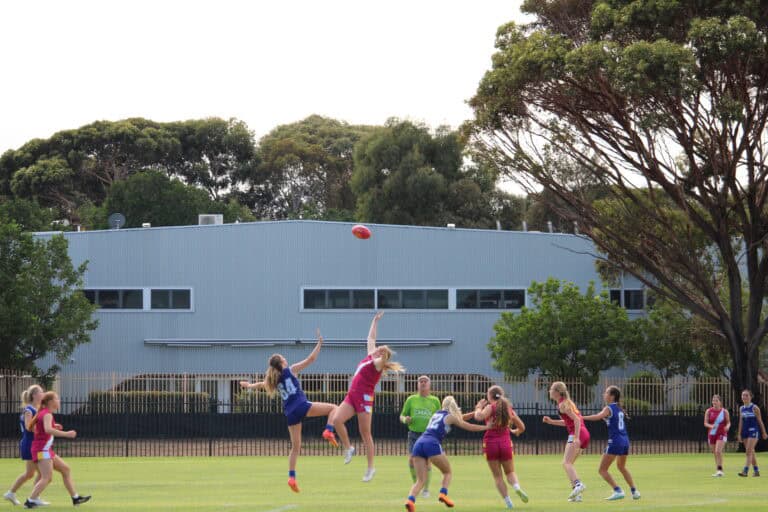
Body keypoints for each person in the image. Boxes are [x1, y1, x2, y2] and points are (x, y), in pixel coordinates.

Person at [239, 329, 344, 493]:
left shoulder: (273, 379)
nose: (285, 359)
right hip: (301, 406)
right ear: (281, 363)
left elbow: (261, 384)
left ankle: (292, 477)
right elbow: (311, 359)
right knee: (334, 408)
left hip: (290, 414)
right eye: (283, 358)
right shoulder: (291, 370)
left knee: (295, 448)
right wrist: (320, 344)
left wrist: (249, 386)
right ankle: (329, 431)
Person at [323, 311, 405, 482]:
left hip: (364, 399)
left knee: (365, 434)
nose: (376, 349)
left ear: (381, 356)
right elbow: (370, 339)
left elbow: (382, 359)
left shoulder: (377, 363)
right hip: (352, 396)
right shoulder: (369, 356)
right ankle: (348, 447)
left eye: (379, 351)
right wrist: (374, 321)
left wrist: (384, 354)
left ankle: (370, 468)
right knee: (337, 420)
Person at [403, 396, 490, 512]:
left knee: (421, 480)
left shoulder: (436, 414)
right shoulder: (450, 417)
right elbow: (468, 426)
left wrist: (476, 412)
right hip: (432, 443)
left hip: (419, 443)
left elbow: (460, 418)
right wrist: (486, 427)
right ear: (454, 405)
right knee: (447, 472)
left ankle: (410, 500)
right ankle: (443, 494)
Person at [25, 392, 90, 509]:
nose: (59, 401)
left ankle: (75, 498)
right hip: (42, 450)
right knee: (46, 478)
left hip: (44, 449)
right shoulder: (47, 414)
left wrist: (55, 426)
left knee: (65, 469)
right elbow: (48, 430)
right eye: (57, 399)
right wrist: (67, 434)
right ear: (51, 402)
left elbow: (44, 428)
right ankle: (30, 501)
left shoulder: (45, 413)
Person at [472, 385, 529, 509]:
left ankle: (508, 502)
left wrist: (478, 407)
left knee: (498, 476)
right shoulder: (508, 409)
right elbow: (522, 427)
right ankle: (517, 488)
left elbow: (478, 416)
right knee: (510, 472)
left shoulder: (490, 407)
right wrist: (515, 431)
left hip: (491, 444)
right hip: (505, 443)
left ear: (490, 396)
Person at [583, 386, 641, 500]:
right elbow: (612, 420)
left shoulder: (608, 408)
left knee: (602, 470)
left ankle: (617, 490)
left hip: (615, 441)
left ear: (612, 396)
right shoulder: (619, 408)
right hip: (625, 441)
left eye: (606, 393)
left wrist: (581, 417)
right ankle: (635, 491)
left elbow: (597, 417)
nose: (604, 394)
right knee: (621, 467)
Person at [542, 381, 590, 502]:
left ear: (557, 392)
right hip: (584, 434)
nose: (549, 391)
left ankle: (579, 485)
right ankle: (577, 495)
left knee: (566, 463)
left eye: (551, 389)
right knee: (569, 464)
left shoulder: (563, 404)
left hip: (577, 434)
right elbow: (569, 422)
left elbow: (577, 421)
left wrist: (576, 438)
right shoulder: (565, 403)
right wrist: (551, 421)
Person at [4, 385, 47, 507]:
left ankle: (12, 493)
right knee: (43, 473)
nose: (43, 394)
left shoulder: (37, 409)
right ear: (34, 395)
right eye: (41, 392)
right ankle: (34, 497)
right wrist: (47, 429)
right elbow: (29, 427)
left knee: (31, 473)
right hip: (30, 444)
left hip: (33, 444)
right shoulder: (29, 410)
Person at [400, 375, 441, 498]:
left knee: (427, 461)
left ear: (429, 385)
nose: (423, 383)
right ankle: (417, 485)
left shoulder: (435, 400)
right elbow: (402, 415)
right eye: (420, 382)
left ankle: (426, 489)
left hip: (428, 435)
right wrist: (405, 420)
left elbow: (439, 417)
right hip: (414, 434)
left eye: (425, 382)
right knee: (412, 460)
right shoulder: (411, 399)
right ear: (417, 385)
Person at [737, 389, 768, 477]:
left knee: (748, 451)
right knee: (751, 452)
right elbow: (741, 422)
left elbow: (760, 421)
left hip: (754, 430)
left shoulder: (755, 407)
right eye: (743, 395)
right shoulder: (741, 408)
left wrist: (764, 432)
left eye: (746, 395)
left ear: (751, 397)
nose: (744, 397)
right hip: (745, 431)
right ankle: (756, 471)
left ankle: (745, 471)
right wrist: (739, 434)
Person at [703, 394, 730, 477]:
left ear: (720, 402)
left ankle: (720, 470)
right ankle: (718, 470)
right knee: (715, 452)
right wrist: (711, 426)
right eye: (713, 400)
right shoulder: (708, 411)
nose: (714, 402)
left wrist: (727, 426)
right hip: (712, 434)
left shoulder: (724, 411)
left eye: (716, 400)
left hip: (721, 433)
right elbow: (705, 423)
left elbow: (728, 422)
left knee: (718, 451)